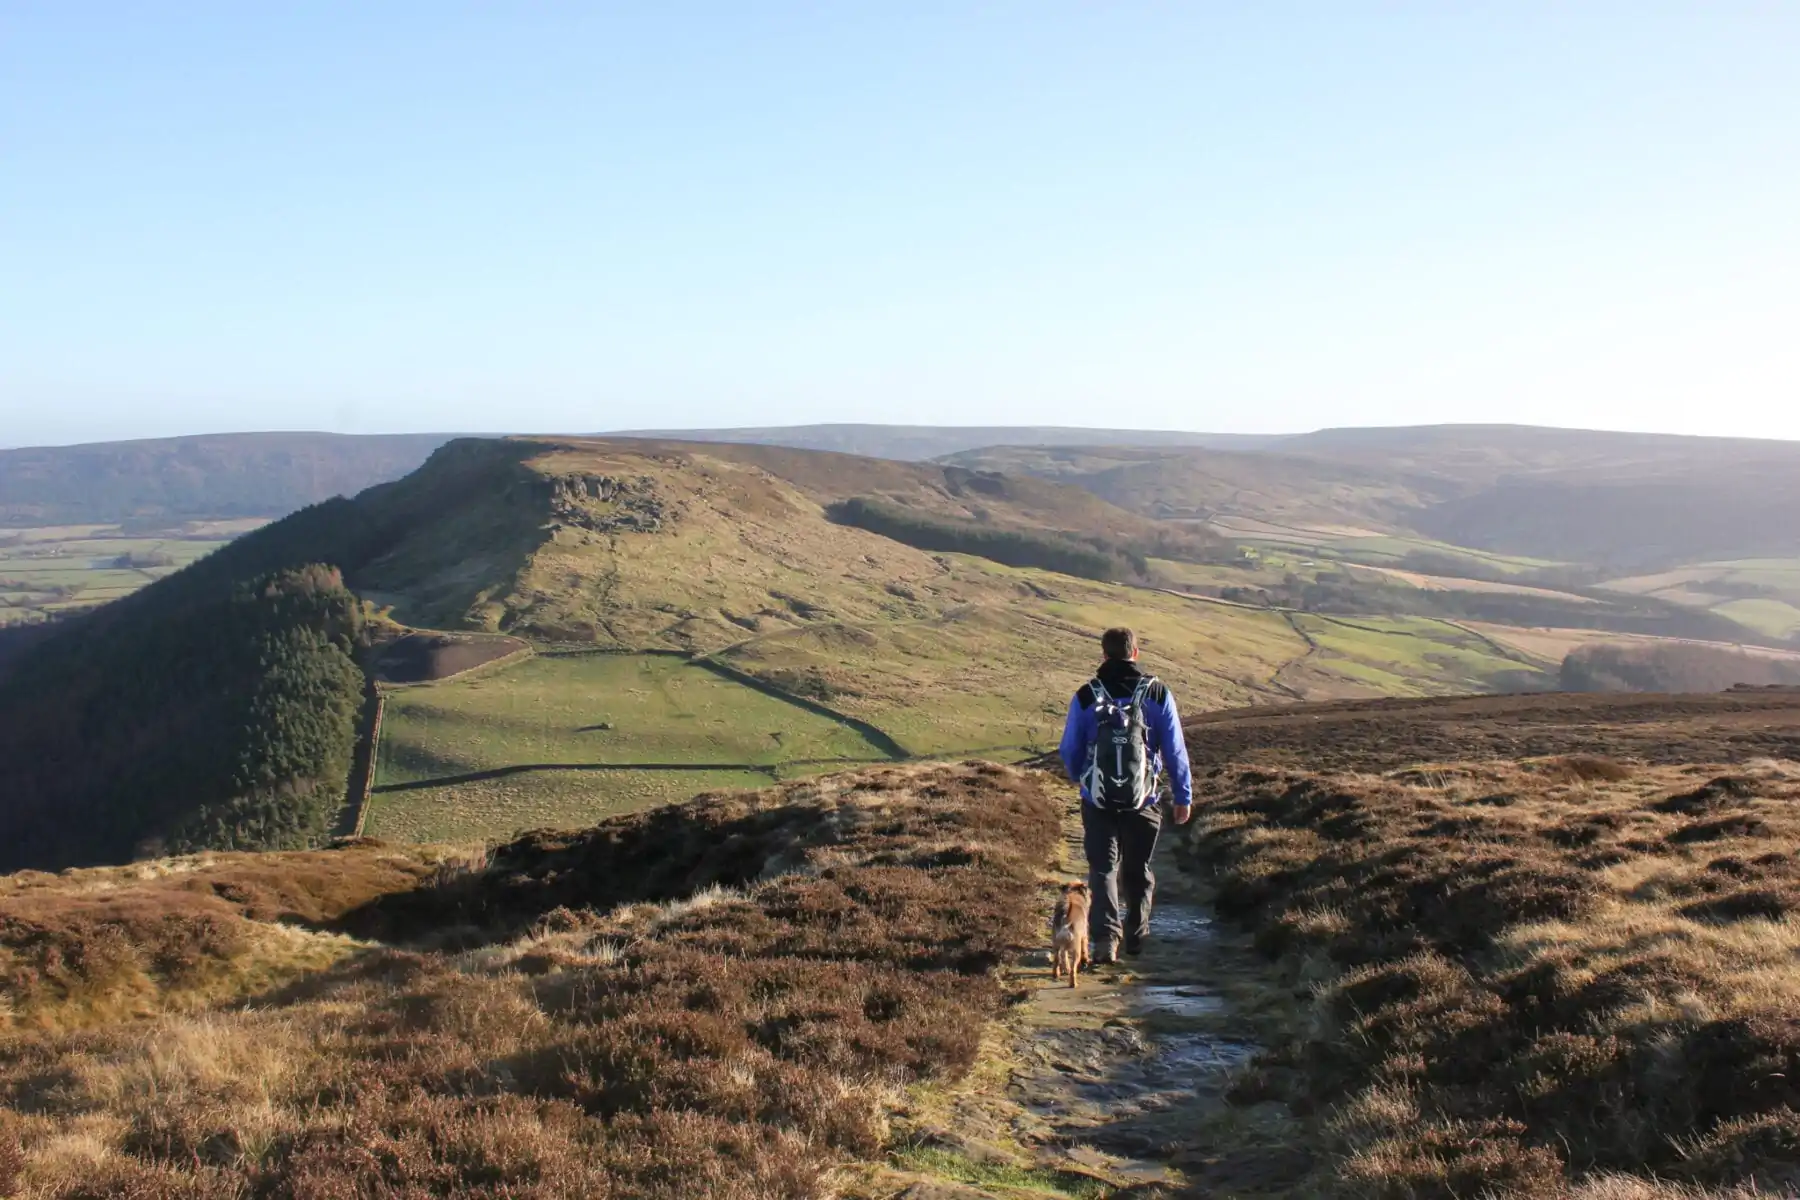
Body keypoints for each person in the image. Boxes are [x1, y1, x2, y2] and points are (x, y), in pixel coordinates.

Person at [1056, 626, 1193, 964]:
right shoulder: (1158, 694)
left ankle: (1104, 941)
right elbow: (1175, 750)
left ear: (1104, 655)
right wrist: (1182, 795)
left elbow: (1070, 748)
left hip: (1098, 799)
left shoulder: (1087, 694)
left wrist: (1082, 780)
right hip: (1143, 800)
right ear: (1136, 653)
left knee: (1102, 868)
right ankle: (1135, 937)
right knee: (1138, 867)